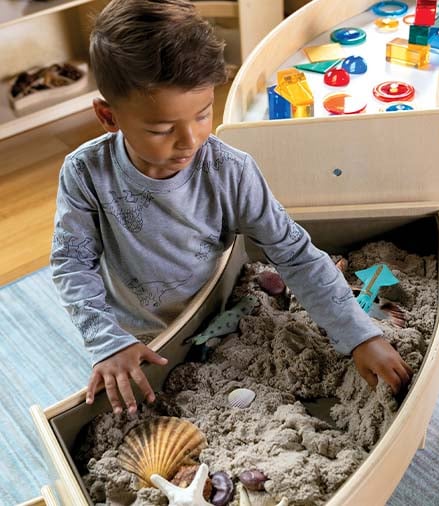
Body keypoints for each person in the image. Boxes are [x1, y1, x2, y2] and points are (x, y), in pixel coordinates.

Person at [50, 0, 412, 416]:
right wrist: (106, 340)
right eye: (161, 129)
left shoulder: (231, 170)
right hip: (137, 336)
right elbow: (72, 264)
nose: (190, 140)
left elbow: (294, 254)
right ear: (108, 116)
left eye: (203, 115)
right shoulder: (85, 173)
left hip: (221, 308)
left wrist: (359, 335)